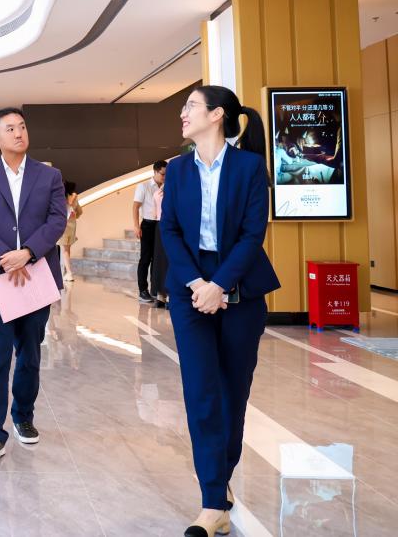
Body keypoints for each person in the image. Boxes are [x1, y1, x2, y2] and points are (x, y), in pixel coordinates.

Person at [161, 86, 280, 536]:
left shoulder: (248, 167)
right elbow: (170, 231)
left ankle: (220, 477)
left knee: (233, 392)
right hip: (190, 290)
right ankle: (213, 501)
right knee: (200, 391)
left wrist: (220, 285)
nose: (183, 113)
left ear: (217, 115)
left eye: (190, 106)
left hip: (240, 287)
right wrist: (198, 284)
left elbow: (252, 235)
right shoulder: (177, 169)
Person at [0, 107, 67, 461]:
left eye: (22, 126)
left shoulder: (49, 176)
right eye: (10, 129)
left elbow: (57, 219)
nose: (19, 133)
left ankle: (23, 416)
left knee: (30, 353)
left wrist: (28, 253)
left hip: (36, 274)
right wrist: (5, 257)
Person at [133, 160, 167, 303]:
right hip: (147, 225)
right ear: (155, 171)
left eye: (166, 174)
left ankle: (155, 289)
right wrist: (136, 226)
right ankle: (142, 290)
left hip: (160, 225)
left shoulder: (166, 187)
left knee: (157, 258)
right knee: (145, 258)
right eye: (162, 174)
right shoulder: (143, 186)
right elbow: (135, 207)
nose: (164, 177)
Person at [57, 181, 83, 282]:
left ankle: (69, 273)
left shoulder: (60, 198)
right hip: (71, 227)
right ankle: (65, 272)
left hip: (61, 227)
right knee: (66, 250)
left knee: (64, 251)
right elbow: (80, 212)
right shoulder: (74, 198)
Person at [150, 172, 169, 308]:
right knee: (166, 261)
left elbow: (154, 213)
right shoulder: (168, 192)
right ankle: (166, 297)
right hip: (168, 226)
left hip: (159, 225)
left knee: (160, 261)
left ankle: (161, 296)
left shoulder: (158, 192)